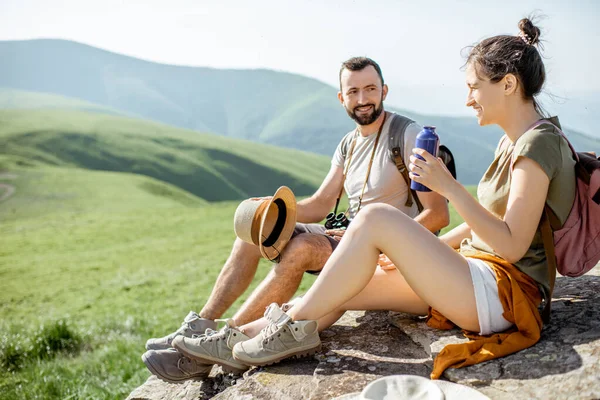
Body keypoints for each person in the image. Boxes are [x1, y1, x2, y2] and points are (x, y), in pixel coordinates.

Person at [173, 18, 576, 378]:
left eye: (473, 87)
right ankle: (229, 342)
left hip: (504, 295)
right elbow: (478, 225)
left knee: (375, 218)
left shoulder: (536, 145)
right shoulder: (513, 143)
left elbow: (511, 243)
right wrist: (416, 252)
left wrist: (449, 188)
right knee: (341, 288)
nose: (468, 99)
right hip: (474, 274)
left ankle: (270, 334)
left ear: (507, 84)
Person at [142, 57, 450, 381]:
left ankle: (228, 337)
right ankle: (202, 324)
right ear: (341, 97)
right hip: (346, 235)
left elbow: (437, 214)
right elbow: (320, 203)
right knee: (255, 233)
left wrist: (390, 243)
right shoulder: (348, 144)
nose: (363, 99)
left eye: (371, 89)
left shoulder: (408, 135)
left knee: (302, 248)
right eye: (354, 91)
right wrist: (272, 211)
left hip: (379, 249)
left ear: (384, 90)